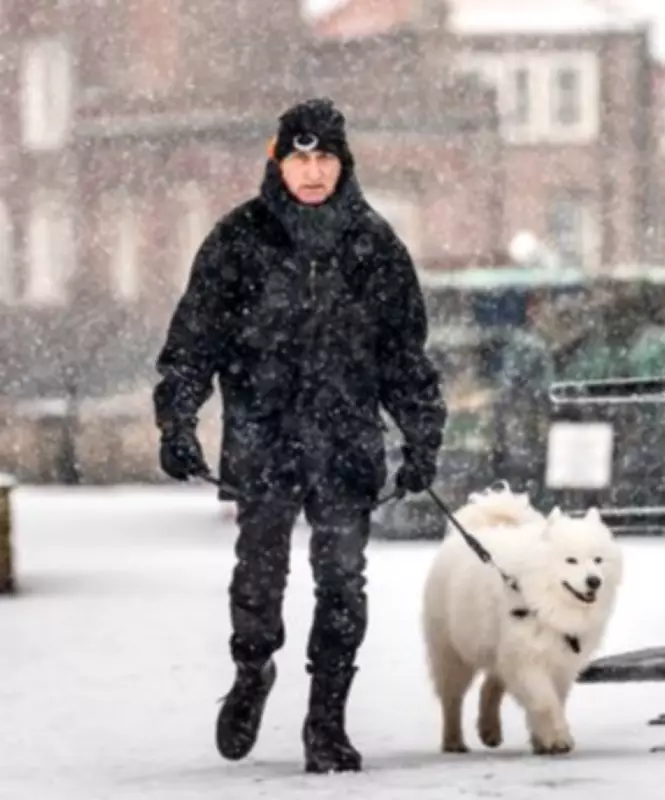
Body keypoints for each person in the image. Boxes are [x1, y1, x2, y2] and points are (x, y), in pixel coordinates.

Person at [152, 97, 447, 774]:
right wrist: (178, 421)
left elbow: (404, 356)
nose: (313, 173)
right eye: (300, 159)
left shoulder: (374, 245)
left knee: (342, 582)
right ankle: (252, 669)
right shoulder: (238, 239)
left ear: (344, 164)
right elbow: (193, 343)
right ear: (277, 162)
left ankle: (327, 722)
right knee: (259, 577)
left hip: (347, 444)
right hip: (263, 439)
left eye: (325, 160)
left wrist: (422, 438)